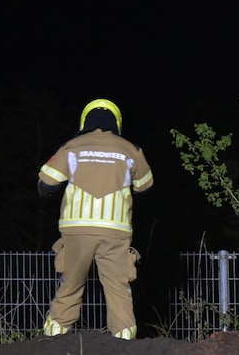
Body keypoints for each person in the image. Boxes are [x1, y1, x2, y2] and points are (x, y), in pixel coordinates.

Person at [38, 98, 154, 339]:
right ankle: (123, 341)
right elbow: (145, 186)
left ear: (84, 121)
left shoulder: (71, 147)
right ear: (117, 123)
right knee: (118, 288)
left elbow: (46, 184)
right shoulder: (131, 150)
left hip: (77, 229)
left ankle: (54, 337)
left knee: (70, 285)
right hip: (115, 231)